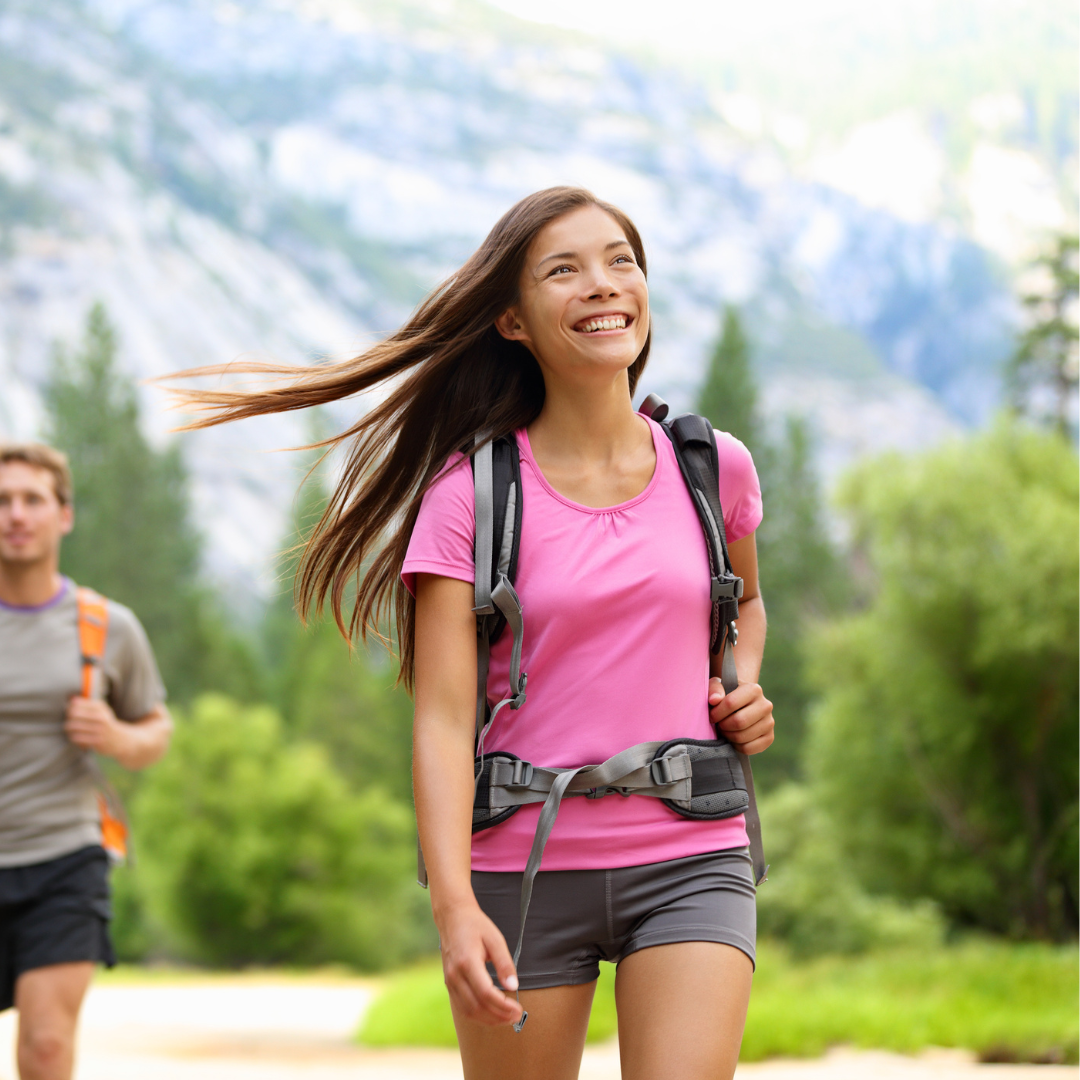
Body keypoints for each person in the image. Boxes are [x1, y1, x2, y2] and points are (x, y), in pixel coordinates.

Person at [169, 186, 774, 1080]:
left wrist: (739, 682)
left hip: (692, 853)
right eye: (563, 270)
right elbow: (445, 721)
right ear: (512, 320)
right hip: (521, 873)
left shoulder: (709, 465)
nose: (604, 285)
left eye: (621, 261)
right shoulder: (470, 498)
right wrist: (453, 907)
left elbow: (745, 603)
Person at [0, 444, 171, 1080]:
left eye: (32, 499)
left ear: (63, 515)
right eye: (2, 500)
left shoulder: (106, 627)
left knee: (44, 1048)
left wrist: (117, 737)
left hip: (63, 860)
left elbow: (157, 729)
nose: (15, 514)